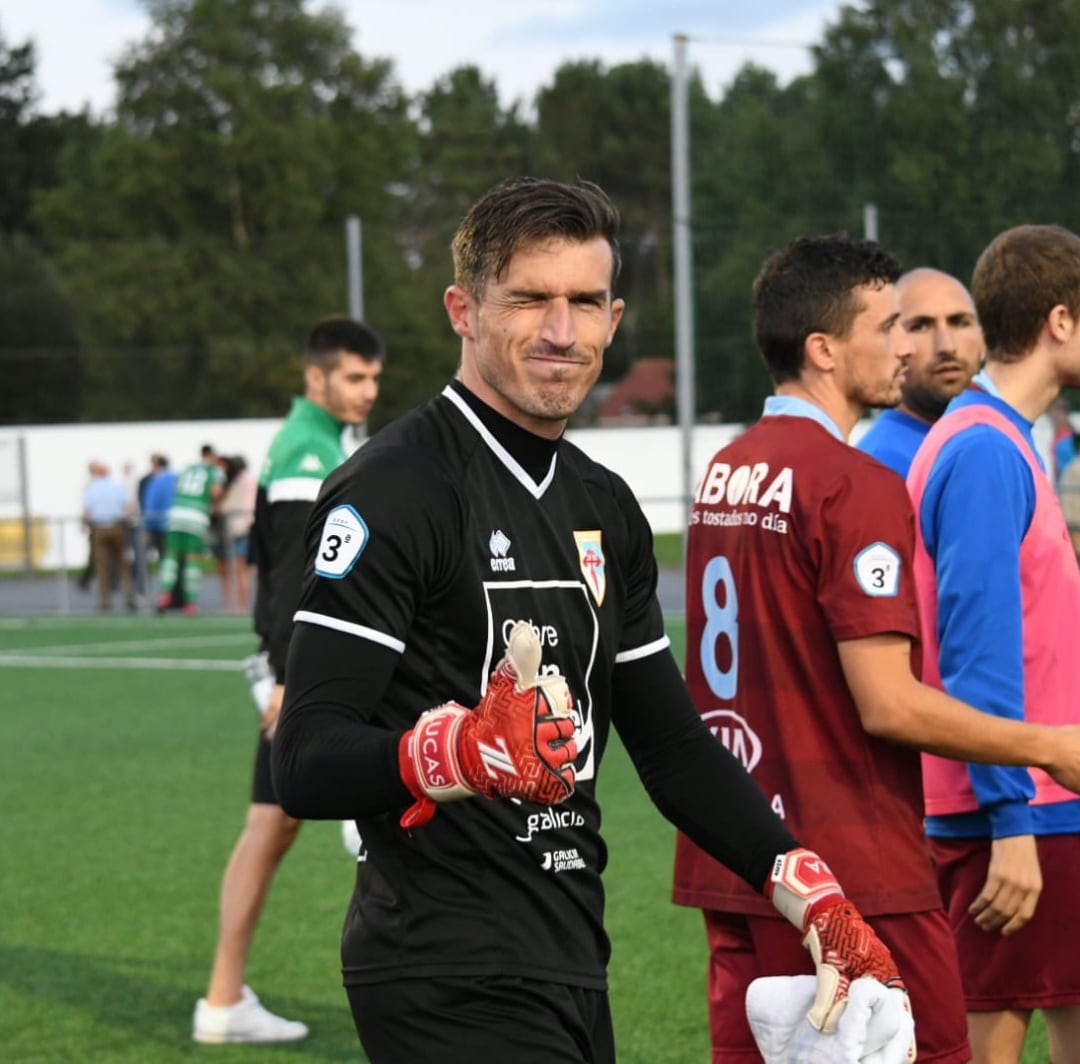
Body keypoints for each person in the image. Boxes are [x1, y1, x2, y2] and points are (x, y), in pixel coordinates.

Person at [270, 179, 920, 1064]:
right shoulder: (396, 487)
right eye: (530, 299)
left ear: (615, 319)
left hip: (569, 954)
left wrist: (811, 891)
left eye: (584, 302)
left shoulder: (603, 505)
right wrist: (456, 751)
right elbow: (304, 754)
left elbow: (673, 746)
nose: (561, 331)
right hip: (440, 967)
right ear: (463, 310)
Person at [670, 232, 1080, 1064]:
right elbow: (887, 701)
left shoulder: (725, 471)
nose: (912, 348)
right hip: (848, 863)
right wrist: (1048, 747)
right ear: (825, 349)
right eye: (890, 325)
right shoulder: (852, 483)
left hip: (742, 851)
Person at [907, 225, 1080, 1064]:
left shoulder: (1002, 437)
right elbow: (977, 651)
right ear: (1060, 321)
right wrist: (1010, 820)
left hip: (1042, 802)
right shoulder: (981, 449)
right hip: (1016, 817)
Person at [193, 316, 386, 1045]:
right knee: (340, 827)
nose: (368, 391)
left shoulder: (323, 441)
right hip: (307, 680)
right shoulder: (307, 450)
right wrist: (284, 677)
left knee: (269, 827)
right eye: (354, 378)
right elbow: (296, 582)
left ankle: (221, 1002)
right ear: (317, 377)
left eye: (373, 378)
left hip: (298, 676)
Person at [857, 267, 983, 477]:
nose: (947, 346)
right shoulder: (880, 468)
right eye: (921, 327)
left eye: (960, 322)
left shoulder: (1002, 441)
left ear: (984, 340)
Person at [156, 445, 225, 615]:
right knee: (192, 559)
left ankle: (164, 594)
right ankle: (190, 602)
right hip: (196, 516)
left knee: (171, 556)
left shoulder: (187, 468)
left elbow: (177, 489)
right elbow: (215, 492)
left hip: (177, 514)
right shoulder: (215, 472)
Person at [81, 460, 137, 611]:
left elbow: (87, 511)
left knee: (102, 566)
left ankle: (105, 601)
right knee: (122, 565)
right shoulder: (117, 487)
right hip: (117, 526)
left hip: (99, 528)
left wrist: (84, 525)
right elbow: (129, 507)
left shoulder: (91, 489)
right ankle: (130, 596)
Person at [214, 455, 257, 613]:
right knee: (237, 568)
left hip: (237, 526)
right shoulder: (247, 480)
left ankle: (238, 604)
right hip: (240, 526)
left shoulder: (240, 482)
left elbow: (229, 505)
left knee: (239, 568)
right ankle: (236, 604)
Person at [141, 454, 178, 565]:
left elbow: (151, 505)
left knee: (165, 558)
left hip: (160, 525)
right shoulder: (176, 478)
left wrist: (147, 527)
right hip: (177, 523)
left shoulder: (155, 482)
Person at [1048, 396, 1077, 483]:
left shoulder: (1068, 438)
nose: (1052, 419)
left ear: (1063, 414)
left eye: (1054, 414)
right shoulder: (1058, 436)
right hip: (1062, 484)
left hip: (1069, 484)